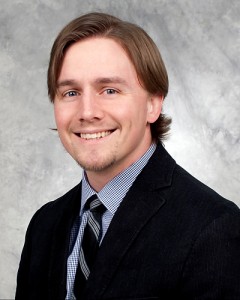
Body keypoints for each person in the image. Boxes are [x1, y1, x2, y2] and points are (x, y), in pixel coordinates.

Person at [15, 12, 240, 300]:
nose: (87, 112)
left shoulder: (214, 229)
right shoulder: (43, 226)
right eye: (70, 93)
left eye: (109, 90)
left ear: (152, 105)